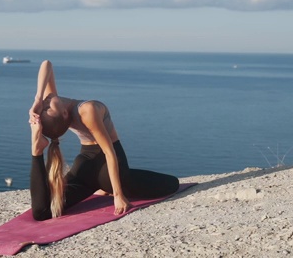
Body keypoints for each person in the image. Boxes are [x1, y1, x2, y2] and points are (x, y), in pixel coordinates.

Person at [28, 60, 180, 221]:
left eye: (44, 107)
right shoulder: (87, 110)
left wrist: (37, 99)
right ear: (64, 114)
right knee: (172, 183)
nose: (44, 104)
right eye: (46, 108)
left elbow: (47, 64)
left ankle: (37, 152)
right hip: (108, 173)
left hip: (84, 168)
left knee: (45, 210)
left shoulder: (53, 104)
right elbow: (109, 152)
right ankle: (36, 151)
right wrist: (118, 195)